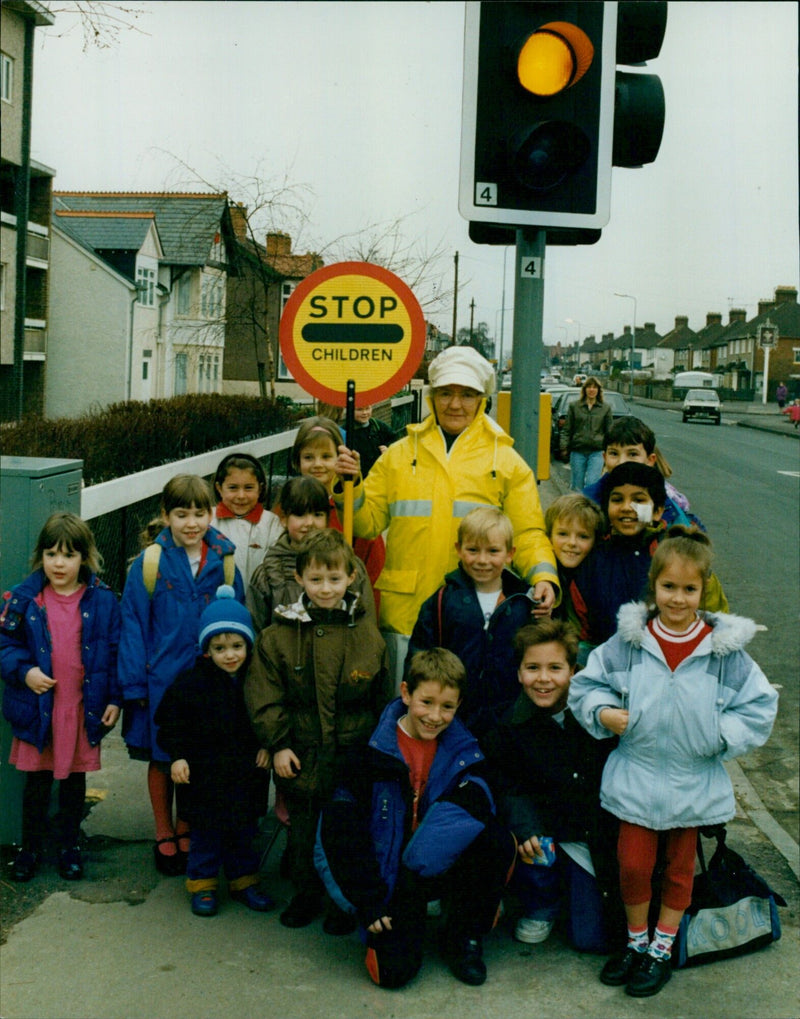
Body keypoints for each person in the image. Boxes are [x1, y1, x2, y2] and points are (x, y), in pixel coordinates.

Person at [569, 529, 778, 997]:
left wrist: (720, 736)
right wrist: (603, 713)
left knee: (680, 869)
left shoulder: (724, 653)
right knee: (633, 866)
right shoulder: (629, 642)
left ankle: (661, 949)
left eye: (689, 589)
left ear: (704, 590)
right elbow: (588, 685)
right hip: (636, 775)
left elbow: (759, 706)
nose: (677, 599)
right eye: (668, 587)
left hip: (693, 778)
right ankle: (636, 942)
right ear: (653, 585)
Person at [333, 344, 559, 688]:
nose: (455, 404)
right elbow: (367, 523)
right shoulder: (398, 455)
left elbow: (527, 532)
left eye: (467, 394)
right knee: (407, 715)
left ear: (482, 398)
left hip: (476, 618)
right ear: (431, 397)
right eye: (446, 393)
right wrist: (350, 486)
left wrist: (543, 575)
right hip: (406, 615)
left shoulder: (508, 462)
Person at [315, 648, 518, 989]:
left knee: (494, 839)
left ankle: (464, 934)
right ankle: (400, 919)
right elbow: (338, 833)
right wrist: (368, 901)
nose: (435, 716)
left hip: (425, 866)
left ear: (459, 705)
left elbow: (477, 806)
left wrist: (418, 864)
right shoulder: (368, 752)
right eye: (426, 702)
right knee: (392, 974)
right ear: (406, 693)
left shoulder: (466, 750)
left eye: (447, 707)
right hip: (388, 879)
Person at [244, 529, 391, 932]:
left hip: (352, 751)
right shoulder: (277, 637)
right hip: (302, 751)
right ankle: (307, 893)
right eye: (316, 579)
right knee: (304, 830)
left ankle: (341, 901)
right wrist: (277, 744)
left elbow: (380, 696)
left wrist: (377, 751)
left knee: (347, 829)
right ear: (300, 579)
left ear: (350, 579)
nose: (325, 588)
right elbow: (265, 695)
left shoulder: (367, 633)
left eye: (334, 579)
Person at [118, 474, 245, 877]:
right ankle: (163, 830)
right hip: (161, 679)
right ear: (165, 515)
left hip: (206, 681)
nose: (192, 522)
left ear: (213, 512)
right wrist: (134, 683)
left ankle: (189, 826)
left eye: (200, 513)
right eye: (181, 513)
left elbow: (237, 621)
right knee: (161, 756)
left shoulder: (225, 561)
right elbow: (134, 623)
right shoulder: (150, 563)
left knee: (200, 757)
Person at [484, 620, 622, 952]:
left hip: (586, 834)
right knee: (533, 845)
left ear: (573, 671)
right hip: (545, 832)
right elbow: (507, 785)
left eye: (555, 668)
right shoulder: (508, 725)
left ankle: (573, 894)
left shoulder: (595, 715)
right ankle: (540, 903)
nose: (543, 678)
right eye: (533, 668)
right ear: (518, 673)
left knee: (592, 938)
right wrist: (525, 826)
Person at [0, 513, 121, 883]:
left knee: (72, 783)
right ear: (41, 556)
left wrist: (115, 698)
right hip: (40, 711)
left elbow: (115, 652)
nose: (59, 563)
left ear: (84, 557)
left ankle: (69, 845)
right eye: (51, 554)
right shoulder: (24, 598)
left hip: (81, 710)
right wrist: (25, 672)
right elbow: (5, 643)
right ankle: (30, 848)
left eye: (68, 555)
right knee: (36, 785)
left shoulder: (102, 600)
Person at [154, 586, 275, 918]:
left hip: (245, 774)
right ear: (206, 648)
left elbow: (270, 714)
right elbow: (169, 723)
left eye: (237, 646)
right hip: (204, 776)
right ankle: (203, 884)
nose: (230, 655)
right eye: (220, 647)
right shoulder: (190, 683)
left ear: (248, 645)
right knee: (205, 834)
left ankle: (244, 881)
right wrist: (177, 755)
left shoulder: (257, 681)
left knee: (243, 832)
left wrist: (267, 744)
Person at [406, 506, 540, 739]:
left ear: (510, 553)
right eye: (473, 550)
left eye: (493, 551)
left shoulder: (522, 603)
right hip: (452, 716)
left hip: (509, 717)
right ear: (458, 549)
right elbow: (419, 656)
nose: (482, 560)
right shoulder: (442, 600)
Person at [572, 462, 728, 648]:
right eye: (617, 499)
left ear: (658, 511)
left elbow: (714, 614)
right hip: (610, 666)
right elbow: (579, 625)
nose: (626, 507)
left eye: (638, 500)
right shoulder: (594, 559)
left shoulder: (681, 554)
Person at [247, 475, 369, 632]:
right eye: (300, 514)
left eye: (317, 514)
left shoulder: (349, 565)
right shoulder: (269, 572)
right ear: (284, 518)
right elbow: (256, 630)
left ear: (327, 518)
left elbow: (366, 625)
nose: (309, 523)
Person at [290, 416, 385, 613]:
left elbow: (373, 572)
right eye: (309, 457)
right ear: (297, 461)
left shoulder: (352, 512)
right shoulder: (286, 509)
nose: (317, 464)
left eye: (326, 457)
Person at [583, 416, 702, 529]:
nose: (622, 462)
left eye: (632, 454)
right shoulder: (588, 501)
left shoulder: (666, 504)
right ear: (604, 457)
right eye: (614, 453)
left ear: (650, 460)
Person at [544, 493, 605, 666]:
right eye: (563, 534)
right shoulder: (541, 575)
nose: (572, 543)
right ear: (549, 536)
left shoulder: (596, 579)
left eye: (583, 536)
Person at [211, 452, 283, 587]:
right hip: (216, 602)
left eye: (249, 488)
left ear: (260, 489)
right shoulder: (207, 520)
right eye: (233, 488)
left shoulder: (271, 524)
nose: (241, 495)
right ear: (219, 488)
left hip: (257, 602)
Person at [560, 376, 613, 491]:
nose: (591, 390)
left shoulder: (605, 408)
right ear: (584, 389)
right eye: (589, 387)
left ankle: (590, 508)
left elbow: (609, 431)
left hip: (597, 451)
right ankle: (577, 508)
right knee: (577, 484)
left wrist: (610, 450)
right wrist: (563, 446)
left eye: (594, 387)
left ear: (598, 390)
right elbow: (567, 429)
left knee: (591, 483)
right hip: (578, 450)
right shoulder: (575, 406)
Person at [347, 404, 398, 477]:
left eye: (367, 408)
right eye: (359, 409)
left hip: (380, 474)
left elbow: (394, 438)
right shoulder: (346, 431)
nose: (364, 412)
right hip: (360, 477)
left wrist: (388, 447)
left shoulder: (377, 425)